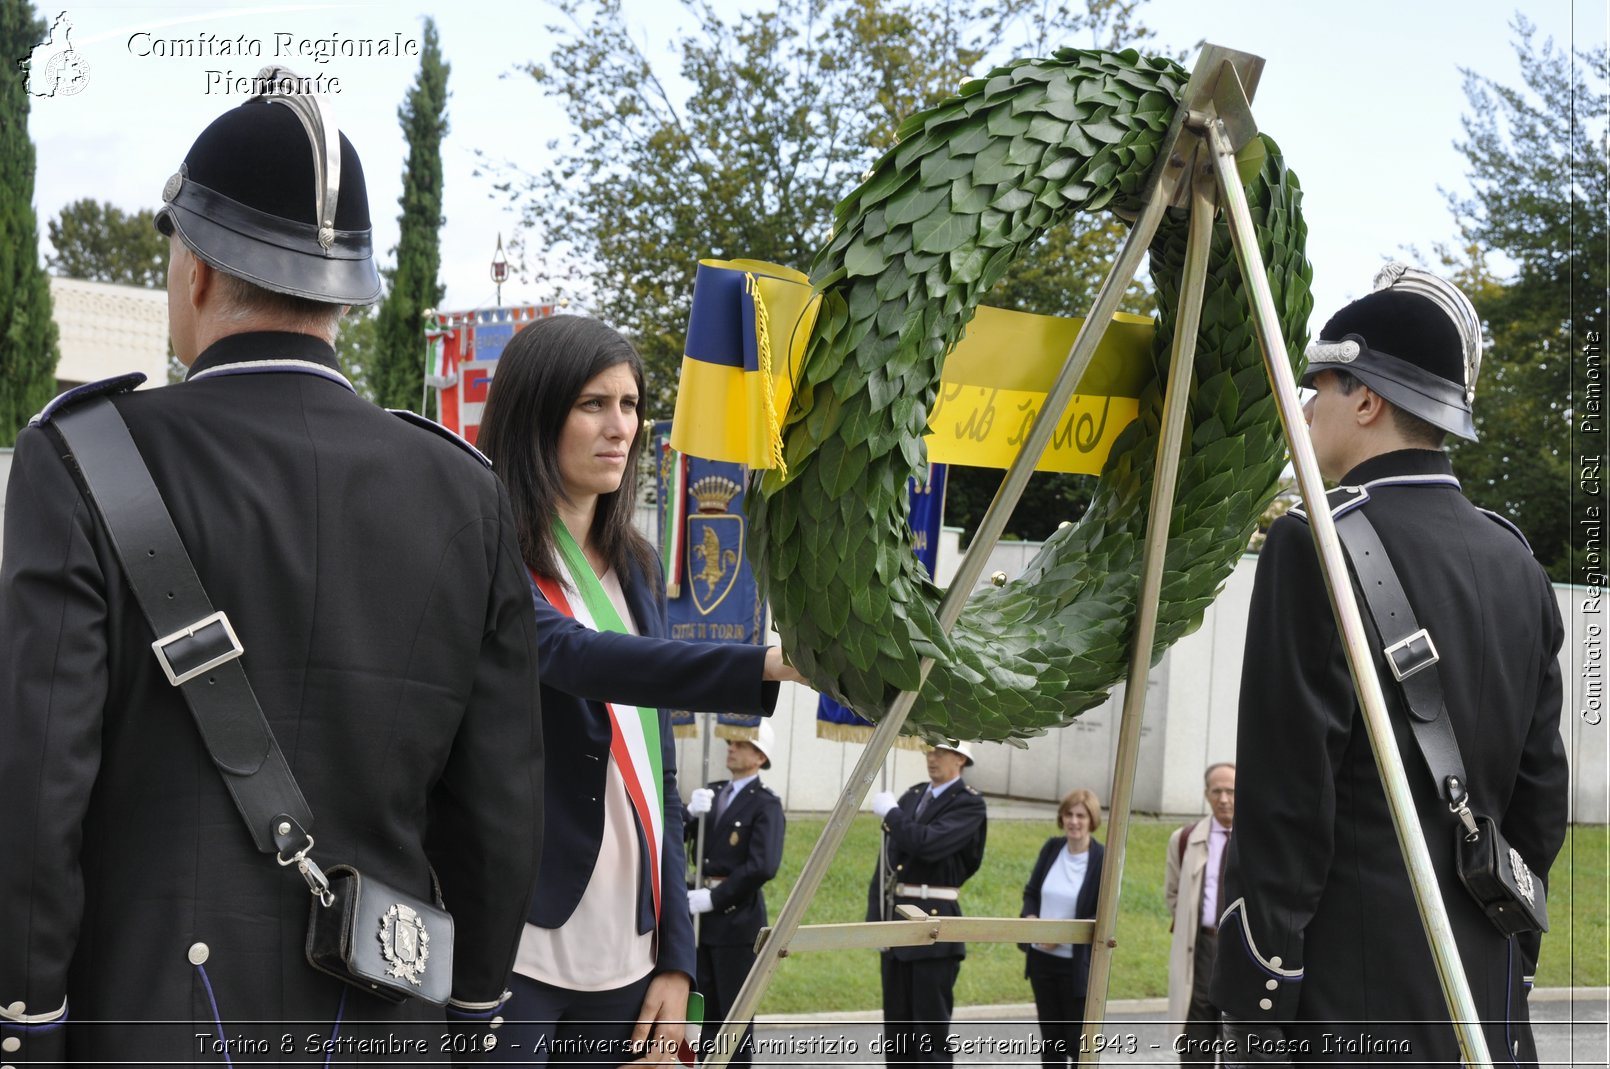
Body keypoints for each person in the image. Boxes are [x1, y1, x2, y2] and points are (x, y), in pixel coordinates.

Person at [0, 83, 544, 1063]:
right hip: (386, 1024)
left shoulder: (82, 455)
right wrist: (470, 1018)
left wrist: (24, 1024)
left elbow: (36, 788)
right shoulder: (464, 490)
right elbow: (499, 804)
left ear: (197, 269)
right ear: (346, 294)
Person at [1211, 264, 1569, 1065]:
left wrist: (1261, 1003)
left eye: (1321, 387)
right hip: (1486, 1009)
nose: (1304, 410)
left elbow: (1285, 814)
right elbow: (1541, 801)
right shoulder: (1519, 562)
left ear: (1366, 398)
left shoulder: (1313, 545)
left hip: (1349, 1014)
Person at [473, 315, 801, 1067]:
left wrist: (676, 955)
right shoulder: (487, 552)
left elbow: (663, 775)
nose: (619, 426)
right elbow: (574, 656)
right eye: (593, 403)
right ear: (535, 412)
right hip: (515, 947)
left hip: (630, 951)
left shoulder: (640, 568)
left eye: (630, 404)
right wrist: (762, 664)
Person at [867, 741, 989, 1066]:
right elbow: (887, 865)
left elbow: (929, 844)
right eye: (930, 751)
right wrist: (876, 922)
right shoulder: (913, 795)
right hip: (896, 924)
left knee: (928, 1037)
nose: (932, 758)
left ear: (961, 758)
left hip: (935, 926)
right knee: (897, 1034)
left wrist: (892, 814)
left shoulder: (968, 804)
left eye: (941, 752)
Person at [684, 720, 786, 1067]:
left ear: (759, 757)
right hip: (700, 922)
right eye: (730, 742)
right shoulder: (711, 793)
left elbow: (763, 865)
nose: (731, 747)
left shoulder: (765, 805)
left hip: (736, 921)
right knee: (702, 1015)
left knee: (733, 1022)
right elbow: (677, 840)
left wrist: (715, 897)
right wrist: (686, 813)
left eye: (740, 743)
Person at [1019, 788, 1106, 1069]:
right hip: (1042, 963)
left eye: (1081, 815)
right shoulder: (1051, 848)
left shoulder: (1101, 858)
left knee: (1076, 1043)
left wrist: (1061, 935)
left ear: (1091, 820)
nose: (1074, 821)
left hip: (1075, 966)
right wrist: (1031, 919)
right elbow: (1031, 892)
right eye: (1068, 814)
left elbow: (1101, 913)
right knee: (1051, 1043)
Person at [1165, 763, 1236, 1064]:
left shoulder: (1260, 842)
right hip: (1202, 950)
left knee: (1240, 1046)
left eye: (1231, 791)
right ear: (1206, 794)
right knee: (1196, 1048)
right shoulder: (1184, 839)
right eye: (1217, 791)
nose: (1224, 799)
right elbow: (1173, 895)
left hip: (1242, 954)